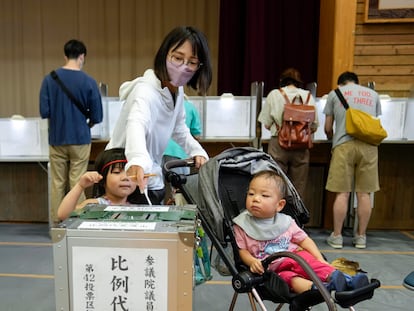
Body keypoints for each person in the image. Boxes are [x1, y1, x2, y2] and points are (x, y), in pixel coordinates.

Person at [106, 26, 212, 205]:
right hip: (125, 175)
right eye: (178, 58)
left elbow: (179, 128)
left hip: (150, 176)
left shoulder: (177, 91)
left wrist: (196, 150)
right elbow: (136, 123)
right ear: (164, 55)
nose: (183, 66)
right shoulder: (145, 91)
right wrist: (138, 159)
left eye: (192, 62)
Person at [233, 170, 369, 294]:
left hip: (294, 258)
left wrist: (320, 259)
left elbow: (304, 240)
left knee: (307, 261)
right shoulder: (242, 225)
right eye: (251, 194)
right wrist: (251, 261)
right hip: (271, 271)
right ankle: (319, 290)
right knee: (288, 279)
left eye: (264, 195)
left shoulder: (286, 222)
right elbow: (242, 251)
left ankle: (343, 280)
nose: (255, 198)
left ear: (279, 205)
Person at [40, 39, 103, 223]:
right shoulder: (89, 81)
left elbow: (45, 112)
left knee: (57, 183)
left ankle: (56, 224)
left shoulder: (49, 79)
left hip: (57, 138)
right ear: (82, 57)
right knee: (78, 181)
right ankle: (76, 222)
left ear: (65, 56)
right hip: (80, 138)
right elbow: (98, 116)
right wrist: (87, 124)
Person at [324, 71, 382, 249]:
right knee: (364, 194)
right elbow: (373, 121)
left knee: (342, 193)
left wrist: (332, 137)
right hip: (369, 147)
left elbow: (327, 127)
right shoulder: (373, 94)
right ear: (357, 82)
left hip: (344, 145)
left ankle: (337, 237)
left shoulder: (335, 94)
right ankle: (361, 237)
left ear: (340, 83)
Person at [258, 68, 318, 199]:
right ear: (298, 82)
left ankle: (277, 215)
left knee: (275, 183)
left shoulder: (274, 94)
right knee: (299, 186)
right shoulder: (308, 96)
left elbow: (266, 123)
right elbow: (314, 126)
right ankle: (295, 217)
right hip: (302, 146)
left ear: (282, 81)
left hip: (279, 143)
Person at [57, 148, 138, 221]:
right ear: (102, 178)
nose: (125, 177)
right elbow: (63, 215)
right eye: (117, 172)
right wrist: (80, 186)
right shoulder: (94, 205)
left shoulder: (139, 206)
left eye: (130, 173)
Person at [162, 95, 202, 203]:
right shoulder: (190, 107)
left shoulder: (162, 105)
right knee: (179, 190)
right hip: (178, 155)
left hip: (158, 152)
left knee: (159, 190)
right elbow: (197, 135)